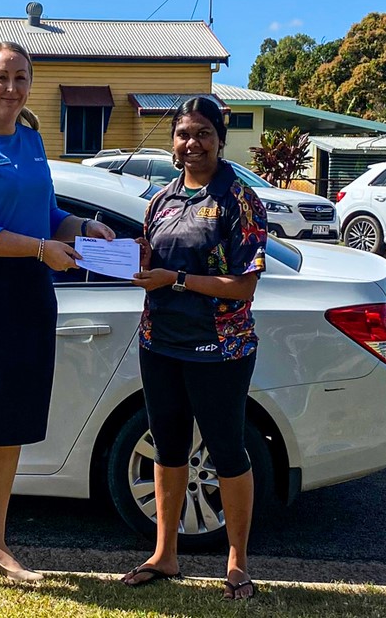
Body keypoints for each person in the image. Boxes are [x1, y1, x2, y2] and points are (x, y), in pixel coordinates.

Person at [0, 41, 115, 597]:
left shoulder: (33, 140)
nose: (11, 88)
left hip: (29, 294)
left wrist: (83, 228)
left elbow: (47, 215)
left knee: (10, 425)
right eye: (1, 77)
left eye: (20, 78)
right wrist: (41, 248)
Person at [125, 96, 267, 600]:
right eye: (184, 133)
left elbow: (243, 286)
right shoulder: (160, 201)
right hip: (159, 344)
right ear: (173, 142)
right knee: (167, 449)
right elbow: (151, 263)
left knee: (228, 451)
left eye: (204, 133)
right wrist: (134, 264)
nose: (193, 143)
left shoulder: (239, 200)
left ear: (221, 138)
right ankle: (165, 555)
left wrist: (177, 279)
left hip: (219, 349)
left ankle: (237, 564)